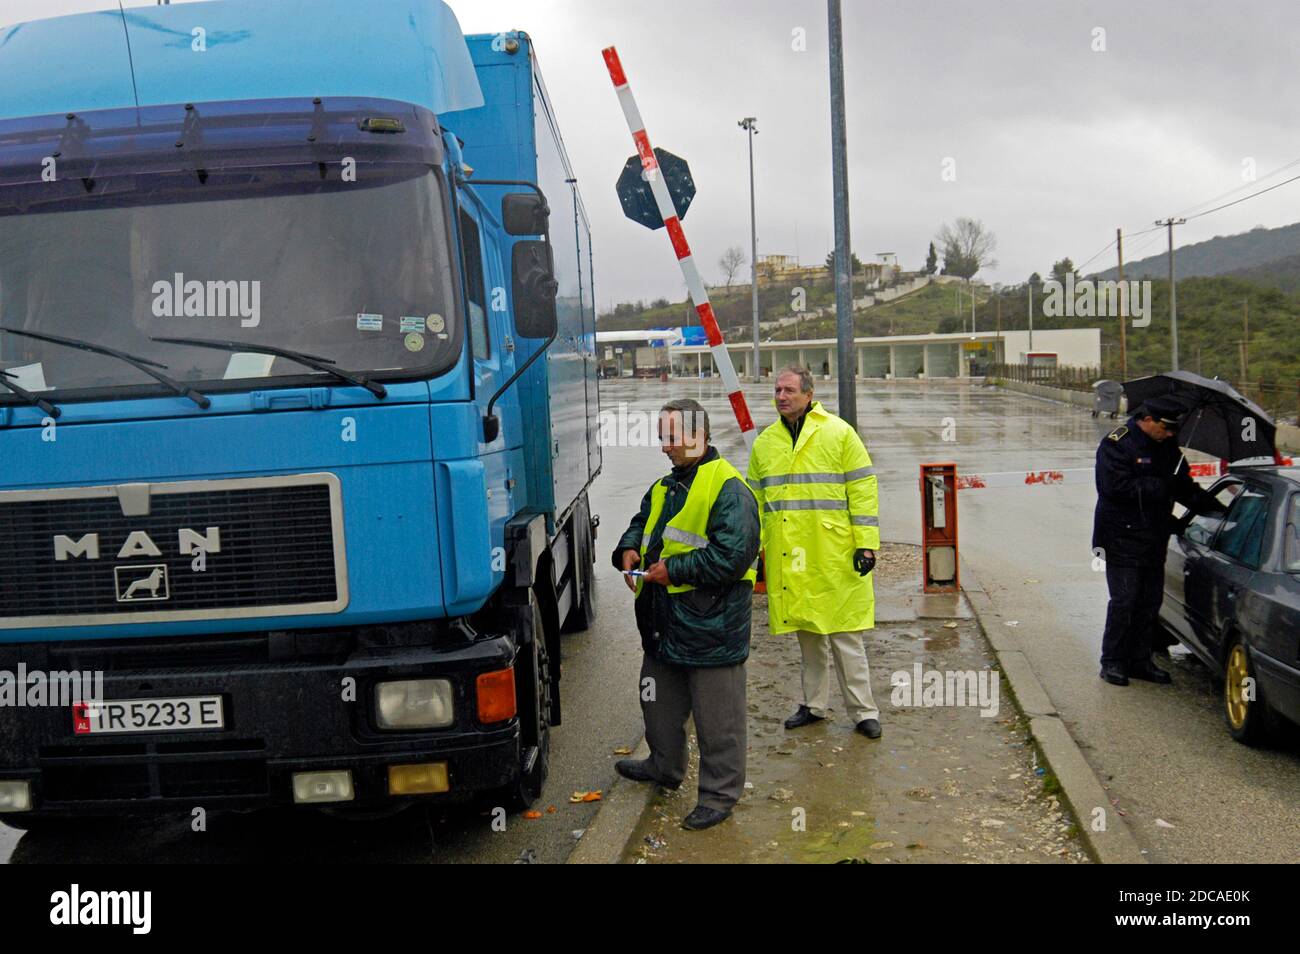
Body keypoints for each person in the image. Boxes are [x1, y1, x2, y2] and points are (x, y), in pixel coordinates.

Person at [612, 398, 761, 831]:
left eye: (672, 437)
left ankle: (719, 796)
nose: (664, 447)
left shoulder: (730, 488)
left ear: (700, 435)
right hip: (662, 626)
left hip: (712, 629)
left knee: (720, 723)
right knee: (656, 706)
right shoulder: (664, 487)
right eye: (661, 437)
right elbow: (642, 523)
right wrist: (628, 549)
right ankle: (664, 767)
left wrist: (669, 570)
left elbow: (731, 557)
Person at [747, 366, 883, 739]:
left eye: (788, 390)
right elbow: (754, 500)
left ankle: (863, 712)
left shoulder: (838, 433)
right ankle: (814, 705)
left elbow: (863, 489)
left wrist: (866, 543)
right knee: (807, 636)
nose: (781, 396)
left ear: (809, 394)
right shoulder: (766, 443)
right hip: (791, 557)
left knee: (845, 637)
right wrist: (755, 551)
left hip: (834, 554)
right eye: (776, 390)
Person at [1092, 395, 1226, 686]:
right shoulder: (1117, 443)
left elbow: (1184, 488)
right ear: (1148, 420)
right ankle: (1112, 660)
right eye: (1165, 428)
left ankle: (1140, 660)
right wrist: (1162, 485)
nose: (1169, 434)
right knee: (1125, 601)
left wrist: (1217, 509)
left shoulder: (1169, 448)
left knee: (1149, 603)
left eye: (1173, 430)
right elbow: (1115, 487)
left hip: (1154, 536)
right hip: (1121, 536)